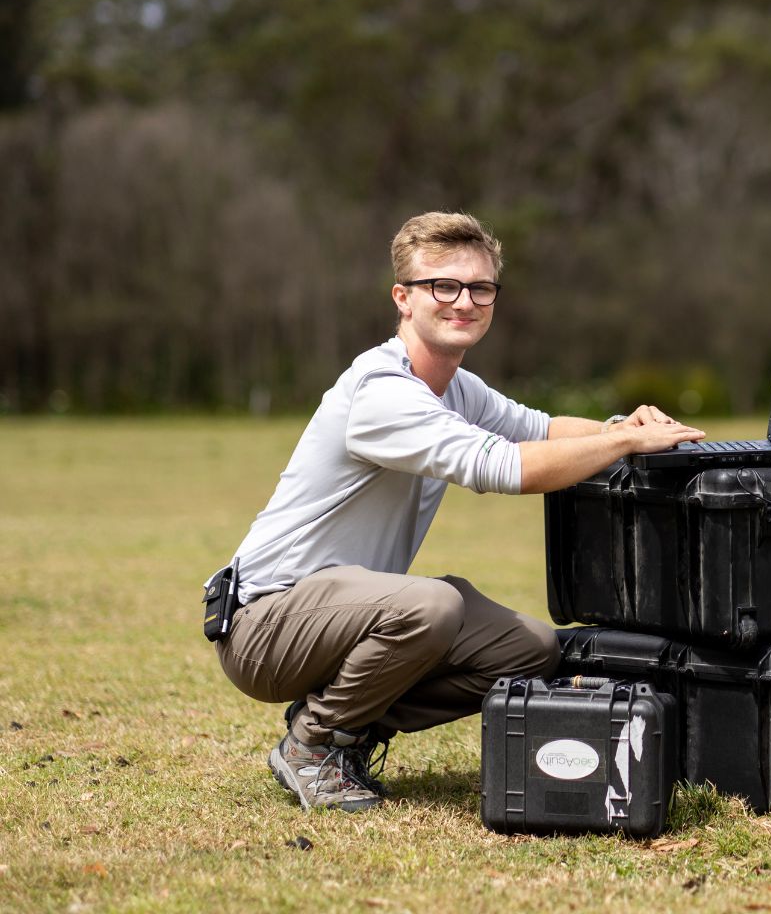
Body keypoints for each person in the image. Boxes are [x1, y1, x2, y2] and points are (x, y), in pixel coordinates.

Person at [211, 211, 704, 811]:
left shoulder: (455, 386)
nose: (464, 300)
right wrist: (624, 445)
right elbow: (503, 466)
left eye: (481, 288)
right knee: (433, 605)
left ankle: (349, 724)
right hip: (265, 624)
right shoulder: (382, 391)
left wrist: (618, 425)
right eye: (443, 285)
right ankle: (313, 746)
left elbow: (540, 429)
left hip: (342, 614)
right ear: (404, 298)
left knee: (529, 649)